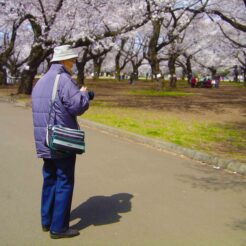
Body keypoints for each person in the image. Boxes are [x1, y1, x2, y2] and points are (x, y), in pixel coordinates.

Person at [32, 45, 91, 239]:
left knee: (49, 178)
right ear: (63, 61)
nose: (73, 64)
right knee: (64, 180)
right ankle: (59, 228)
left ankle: (46, 221)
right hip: (61, 140)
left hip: (44, 139)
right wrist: (84, 94)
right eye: (71, 60)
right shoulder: (64, 80)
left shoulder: (40, 81)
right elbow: (77, 106)